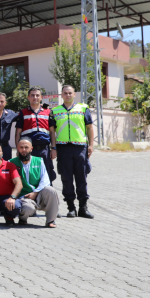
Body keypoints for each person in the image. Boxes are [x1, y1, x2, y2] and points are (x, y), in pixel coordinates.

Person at [49, 84, 94, 219]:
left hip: (80, 148)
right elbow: (52, 131)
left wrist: (91, 145)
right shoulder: (55, 111)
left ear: (74, 94)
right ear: (61, 95)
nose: (68, 95)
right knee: (66, 179)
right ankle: (71, 208)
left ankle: (83, 208)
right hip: (63, 149)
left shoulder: (83, 109)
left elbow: (89, 128)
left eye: (70, 93)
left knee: (82, 178)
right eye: (65, 93)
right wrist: (53, 147)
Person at [10, 137, 59, 228]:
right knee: (28, 208)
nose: (23, 150)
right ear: (17, 148)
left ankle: (50, 220)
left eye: (26, 147)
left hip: (38, 194)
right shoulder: (11, 163)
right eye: (21, 147)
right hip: (23, 197)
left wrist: (35, 192)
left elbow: (45, 180)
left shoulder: (39, 161)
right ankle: (23, 219)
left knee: (51, 190)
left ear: (31, 149)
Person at [15, 87, 56, 183]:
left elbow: (52, 132)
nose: (35, 97)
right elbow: (18, 133)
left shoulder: (48, 112)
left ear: (41, 97)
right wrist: (18, 150)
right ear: (28, 97)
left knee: (47, 175)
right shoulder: (23, 113)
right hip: (29, 150)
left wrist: (53, 148)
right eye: (32, 95)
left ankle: (47, 196)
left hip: (44, 150)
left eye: (37, 95)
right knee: (29, 175)